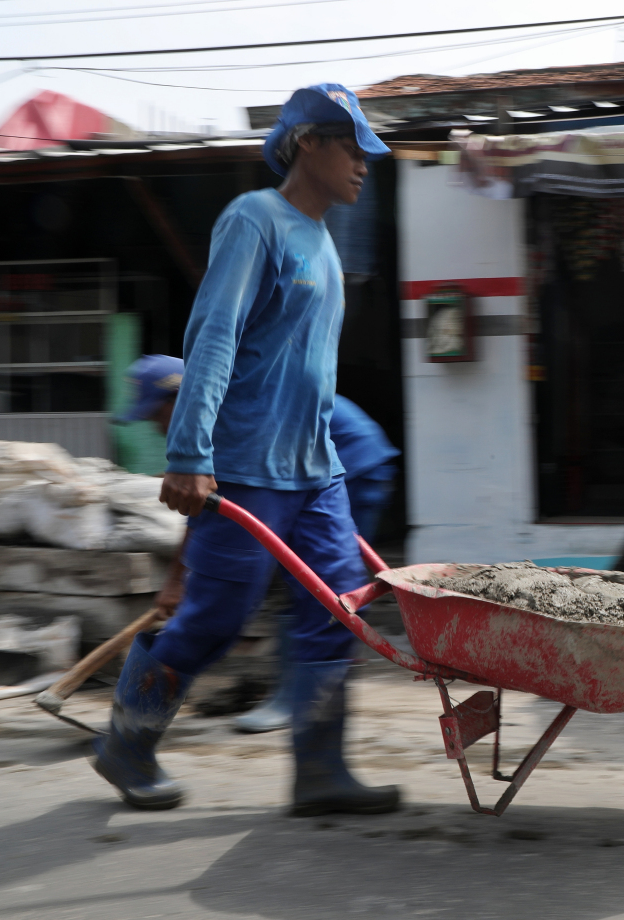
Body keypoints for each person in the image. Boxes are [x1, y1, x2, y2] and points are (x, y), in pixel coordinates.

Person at [91, 84, 399, 817]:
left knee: (336, 610)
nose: (363, 165)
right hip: (243, 470)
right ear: (307, 143)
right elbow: (215, 336)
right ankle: (127, 742)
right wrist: (190, 454)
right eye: (351, 147)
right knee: (215, 620)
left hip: (317, 470)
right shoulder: (253, 219)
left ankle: (321, 772)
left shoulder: (322, 243)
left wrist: (325, 460)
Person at [117, 358, 399, 734]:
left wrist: (176, 582)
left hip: (353, 464)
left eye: (157, 415)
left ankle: (289, 699)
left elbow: (206, 513)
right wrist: (176, 581)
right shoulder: (221, 415)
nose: (156, 427)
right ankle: (292, 696)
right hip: (316, 463)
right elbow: (206, 511)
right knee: (309, 591)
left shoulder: (224, 420)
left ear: (179, 397)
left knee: (319, 593)